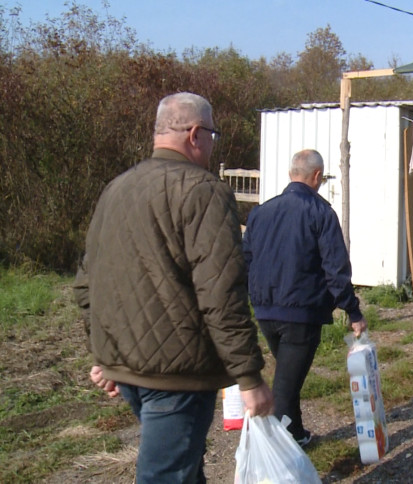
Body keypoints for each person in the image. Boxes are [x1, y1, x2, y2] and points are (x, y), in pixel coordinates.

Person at [73, 92, 273, 483]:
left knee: (184, 467)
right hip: (177, 377)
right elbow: (222, 295)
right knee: (166, 475)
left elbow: (87, 283)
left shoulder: (116, 188)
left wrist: (105, 355)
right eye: (213, 134)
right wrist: (249, 378)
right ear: (196, 134)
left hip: (128, 368)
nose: (213, 144)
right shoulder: (204, 191)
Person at [243, 149, 367, 446]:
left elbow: (245, 259)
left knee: (289, 377)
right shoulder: (321, 212)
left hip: (265, 311)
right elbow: (335, 269)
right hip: (301, 314)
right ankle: (279, 458)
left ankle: (296, 433)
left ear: (290, 174)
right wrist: (353, 312)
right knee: (284, 388)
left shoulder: (260, 212)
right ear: (317, 177)